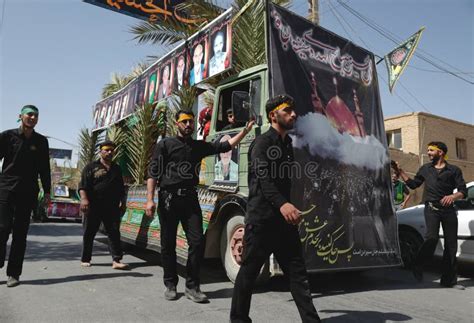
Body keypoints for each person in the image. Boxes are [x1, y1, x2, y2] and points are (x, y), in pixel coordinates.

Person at [145, 110, 254, 303]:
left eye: (190, 121)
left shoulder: (198, 146)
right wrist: (150, 200)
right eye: (184, 121)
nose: (188, 124)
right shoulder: (165, 145)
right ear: (176, 123)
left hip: (190, 199)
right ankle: (170, 284)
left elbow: (226, 145)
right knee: (167, 244)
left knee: (197, 242)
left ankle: (192, 286)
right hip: (168, 199)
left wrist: (245, 131)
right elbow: (153, 173)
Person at [230, 95, 321, 322]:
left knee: (297, 274)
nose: (293, 114)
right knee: (249, 274)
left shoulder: (287, 144)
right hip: (262, 220)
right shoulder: (262, 143)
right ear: (273, 115)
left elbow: (285, 182)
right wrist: (283, 204)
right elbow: (264, 180)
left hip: (283, 223)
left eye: (294, 110)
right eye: (288, 110)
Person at [395, 141, 467, 290]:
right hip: (432, 208)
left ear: (440, 152)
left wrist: (453, 197)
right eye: (428, 150)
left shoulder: (454, 170)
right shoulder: (425, 169)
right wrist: (400, 171)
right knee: (432, 238)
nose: (428, 153)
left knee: (451, 244)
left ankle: (448, 280)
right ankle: (418, 264)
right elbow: (414, 184)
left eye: (431, 150)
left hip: (449, 211)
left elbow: (463, 191)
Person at [0, 105, 51, 288]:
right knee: (2, 228)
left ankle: (14, 274)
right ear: (20, 116)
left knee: (20, 235)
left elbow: (45, 169)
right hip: (5, 189)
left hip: (28, 192)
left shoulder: (41, 142)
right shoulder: (7, 136)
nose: (32, 117)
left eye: (35, 115)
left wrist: (47, 191)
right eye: (29, 114)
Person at [79, 140, 129, 270]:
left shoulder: (117, 168)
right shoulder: (90, 167)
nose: (109, 152)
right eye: (106, 149)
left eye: (112, 150)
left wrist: (123, 203)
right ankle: (86, 258)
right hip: (93, 205)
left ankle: (116, 260)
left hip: (111, 207)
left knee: (113, 232)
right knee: (89, 232)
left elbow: (121, 188)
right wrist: (84, 200)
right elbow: (83, 186)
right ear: (100, 151)